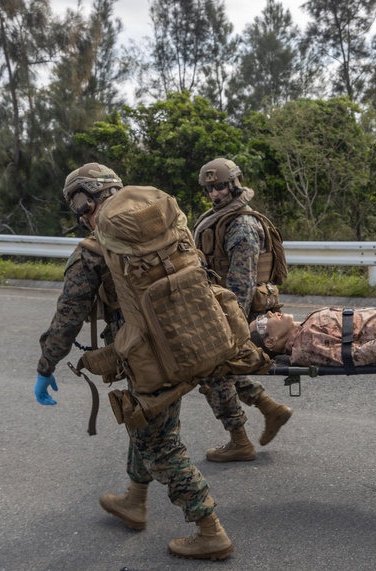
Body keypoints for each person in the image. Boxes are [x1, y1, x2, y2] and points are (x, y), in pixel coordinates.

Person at [35, 163, 233, 561]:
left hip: (148, 359)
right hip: (192, 342)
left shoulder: (92, 252)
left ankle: (210, 530)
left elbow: (68, 316)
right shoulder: (164, 226)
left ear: (82, 202)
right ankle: (134, 500)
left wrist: (45, 365)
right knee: (147, 423)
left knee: (160, 443)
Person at [191, 158, 293, 463]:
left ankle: (239, 441)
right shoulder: (219, 217)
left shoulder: (242, 225)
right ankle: (270, 409)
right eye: (210, 188)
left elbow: (242, 286)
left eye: (220, 186)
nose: (215, 194)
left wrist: (227, 328)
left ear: (234, 184)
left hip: (239, 313)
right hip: (222, 308)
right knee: (215, 370)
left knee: (212, 371)